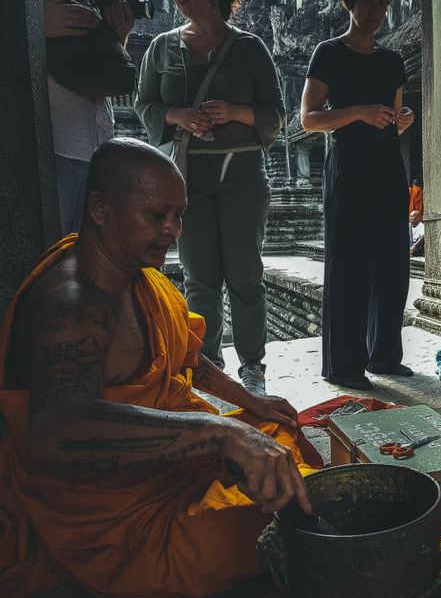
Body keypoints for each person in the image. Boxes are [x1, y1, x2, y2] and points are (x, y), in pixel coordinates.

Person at [0, 139, 315, 597]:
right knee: (279, 521)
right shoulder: (73, 304)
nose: (173, 230)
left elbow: (182, 354)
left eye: (179, 214)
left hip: (169, 461)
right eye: (156, 216)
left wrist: (249, 402)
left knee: (282, 438)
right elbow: (56, 429)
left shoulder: (137, 274)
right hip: (113, 512)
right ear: (101, 208)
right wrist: (220, 433)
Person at [135, 0, 285, 396]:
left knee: (245, 276)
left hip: (242, 173)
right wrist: (177, 116)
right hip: (187, 175)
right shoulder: (161, 47)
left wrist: (236, 111)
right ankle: (207, 366)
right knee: (199, 278)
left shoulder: (250, 47)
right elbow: (144, 104)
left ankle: (252, 367)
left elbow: (276, 113)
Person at [301, 0, 415, 391]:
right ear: (350, 4)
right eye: (366, 2)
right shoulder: (329, 53)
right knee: (350, 264)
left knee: (392, 262)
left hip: (387, 166)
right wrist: (359, 111)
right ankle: (344, 365)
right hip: (349, 167)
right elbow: (310, 119)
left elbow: (394, 122)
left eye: (382, 3)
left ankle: (385, 355)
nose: (375, 9)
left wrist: (403, 119)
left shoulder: (392, 60)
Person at [44, 0, 134, 234]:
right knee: (51, 249)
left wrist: (116, 39)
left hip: (96, 145)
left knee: (89, 250)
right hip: (51, 142)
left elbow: (97, 74)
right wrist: (35, 25)